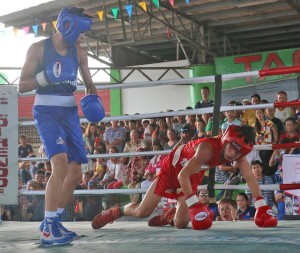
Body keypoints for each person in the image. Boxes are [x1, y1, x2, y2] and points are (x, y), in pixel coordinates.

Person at [18, 7, 104, 246]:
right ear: (69, 26)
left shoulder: (79, 52)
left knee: (76, 172)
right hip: (46, 111)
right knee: (60, 163)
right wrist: (44, 78)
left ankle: (52, 222)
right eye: (82, 32)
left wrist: (93, 99)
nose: (83, 37)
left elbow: (88, 82)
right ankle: (47, 231)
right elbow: (22, 86)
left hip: (69, 112)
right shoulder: (38, 49)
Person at [91, 125, 277, 231]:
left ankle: (169, 216)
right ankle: (117, 212)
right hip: (171, 171)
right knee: (142, 212)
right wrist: (195, 205)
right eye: (232, 147)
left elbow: (251, 178)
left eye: (239, 151)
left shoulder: (238, 156)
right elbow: (182, 174)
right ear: (226, 139)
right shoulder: (207, 149)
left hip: (191, 175)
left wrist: (261, 204)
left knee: (181, 224)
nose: (233, 153)